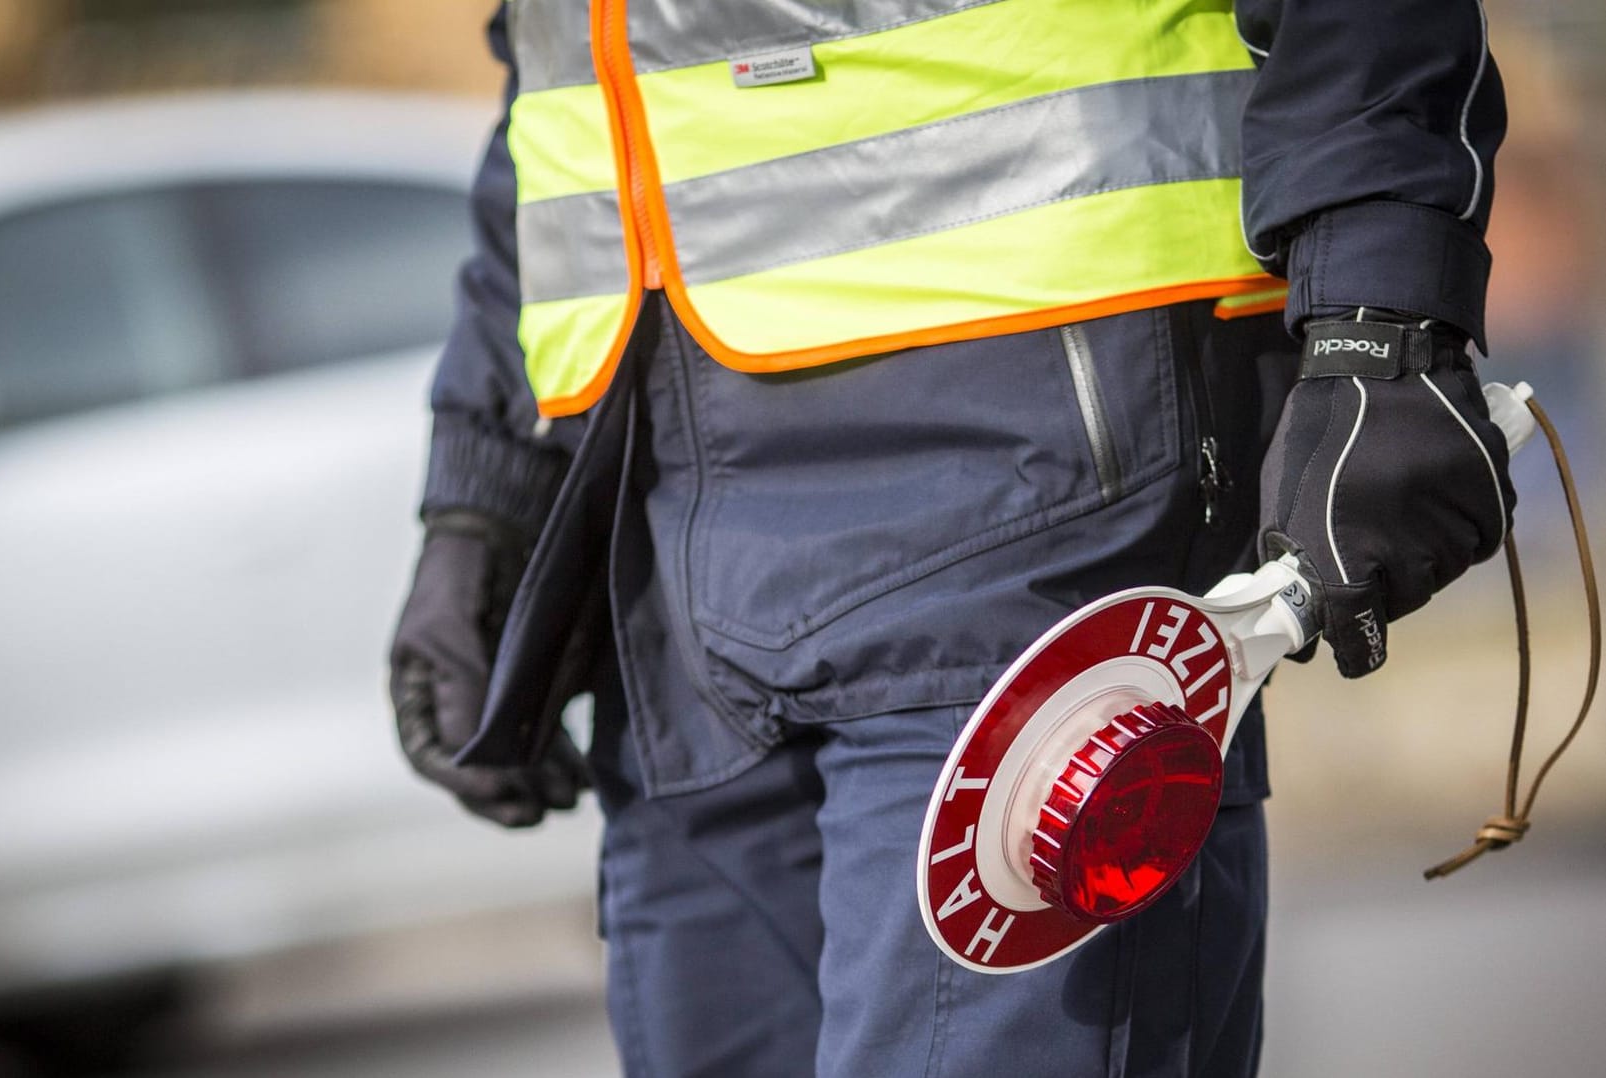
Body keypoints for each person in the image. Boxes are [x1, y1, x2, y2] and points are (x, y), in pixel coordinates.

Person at [389, 2, 1514, 1074]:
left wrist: (1385, 305)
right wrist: (488, 497)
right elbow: (572, 83)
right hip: (667, 550)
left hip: (1023, 476)